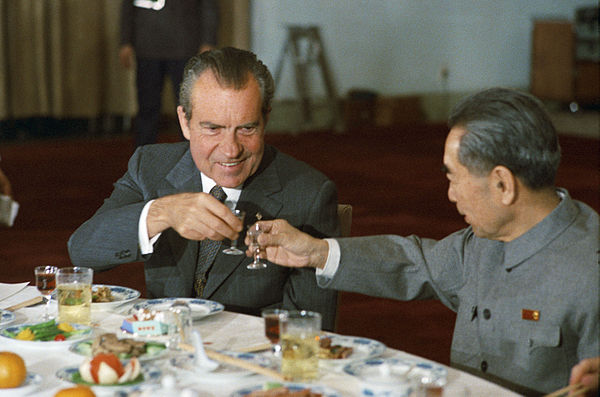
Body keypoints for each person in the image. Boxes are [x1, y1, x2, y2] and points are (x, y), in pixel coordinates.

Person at [248, 88, 599, 395]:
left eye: (455, 178)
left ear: (503, 185)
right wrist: (316, 252)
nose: (450, 195)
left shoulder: (589, 270)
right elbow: (414, 262)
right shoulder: (483, 242)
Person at [68, 47, 340, 330]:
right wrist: (161, 213)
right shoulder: (151, 166)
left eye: (247, 129)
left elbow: (309, 332)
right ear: (185, 122)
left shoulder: (309, 194)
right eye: (213, 129)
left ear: (266, 119)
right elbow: (83, 250)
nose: (231, 149)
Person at [119, 0, 219, 147]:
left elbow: (209, 6)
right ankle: (144, 157)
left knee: (188, 109)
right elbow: (128, 7)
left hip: (185, 47)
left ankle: (191, 157)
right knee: (147, 108)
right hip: (147, 47)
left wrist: (208, 41)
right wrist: (125, 41)